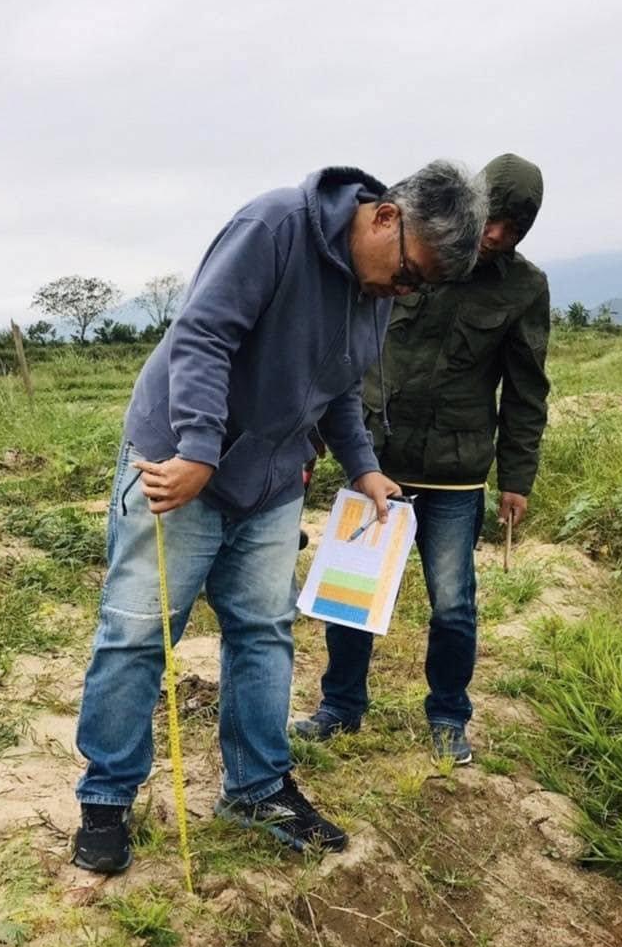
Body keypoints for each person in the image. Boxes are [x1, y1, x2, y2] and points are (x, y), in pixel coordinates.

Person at [72, 161, 488, 873]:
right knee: (141, 631)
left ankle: (257, 787)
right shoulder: (273, 228)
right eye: (411, 274)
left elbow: (341, 388)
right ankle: (106, 799)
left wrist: (362, 466)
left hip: (269, 480)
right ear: (387, 216)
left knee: (263, 632)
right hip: (179, 464)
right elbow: (203, 337)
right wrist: (200, 447)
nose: (404, 291)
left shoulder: (375, 288)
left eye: (421, 287)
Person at [294, 153, 549, 762]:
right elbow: (345, 354)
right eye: (491, 220)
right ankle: (341, 707)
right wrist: (315, 438)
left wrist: (516, 477)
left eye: (512, 229)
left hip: (457, 478)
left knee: (454, 603)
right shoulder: (413, 250)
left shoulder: (524, 286)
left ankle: (447, 718)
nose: (494, 236)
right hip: (374, 459)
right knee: (352, 597)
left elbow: (526, 389)